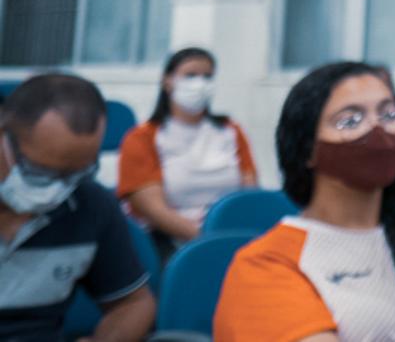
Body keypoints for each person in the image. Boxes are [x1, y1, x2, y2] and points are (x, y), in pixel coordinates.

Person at [213, 62, 395, 342]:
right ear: (307, 148)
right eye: (350, 120)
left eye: (389, 114)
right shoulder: (265, 266)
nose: (377, 129)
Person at [0, 73, 156, 341]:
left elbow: (134, 303)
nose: (55, 189)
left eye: (74, 174)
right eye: (39, 172)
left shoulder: (90, 205)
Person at [116, 46, 258, 255]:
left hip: (232, 237)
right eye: (190, 75)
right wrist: (208, 241)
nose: (200, 84)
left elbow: (249, 194)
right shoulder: (141, 138)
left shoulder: (231, 130)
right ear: (167, 81)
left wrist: (234, 240)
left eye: (207, 76)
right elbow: (152, 209)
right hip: (167, 242)